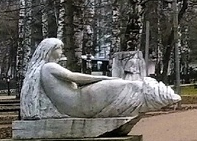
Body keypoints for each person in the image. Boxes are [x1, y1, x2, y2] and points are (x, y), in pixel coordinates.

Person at [20, 37, 180, 120]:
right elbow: (74, 77)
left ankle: (152, 93)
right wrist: (104, 79)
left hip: (76, 101)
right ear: (50, 50)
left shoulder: (47, 68)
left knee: (121, 84)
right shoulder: (49, 67)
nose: (62, 51)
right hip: (76, 102)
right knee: (118, 84)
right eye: (59, 48)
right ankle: (152, 94)